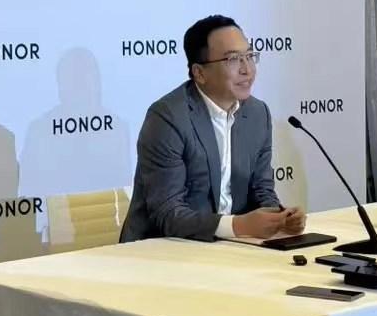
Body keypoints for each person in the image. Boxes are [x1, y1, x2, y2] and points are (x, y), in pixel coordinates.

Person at [120, 15, 306, 242]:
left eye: (249, 56)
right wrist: (237, 225)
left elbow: (262, 190)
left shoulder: (258, 114)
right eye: (233, 59)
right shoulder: (168, 118)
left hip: (230, 246)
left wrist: (280, 217)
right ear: (199, 73)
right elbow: (168, 213)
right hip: (161, 248)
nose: (247, 69)